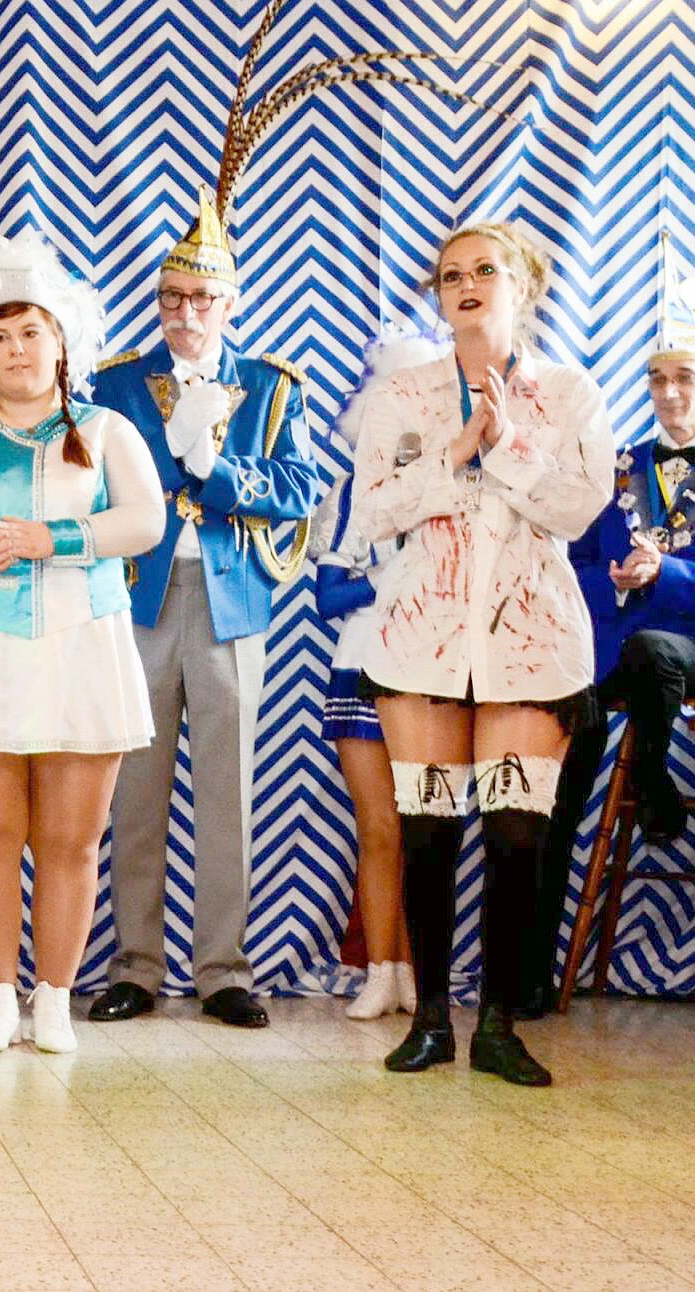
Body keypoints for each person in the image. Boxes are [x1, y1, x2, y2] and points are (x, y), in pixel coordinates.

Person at [351, 219, 612, 1087]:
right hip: (421, 639)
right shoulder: (402, 394)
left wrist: (505, 448)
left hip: (532, 640)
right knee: (426, 829)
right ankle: (430, 1020)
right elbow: (372, 512)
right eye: (450, 274)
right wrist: (454, 454)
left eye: (485, 271)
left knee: (515, 830)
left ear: (521, 285)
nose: (466, 285)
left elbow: (579, 508)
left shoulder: (569, 393)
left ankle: (500, 1024)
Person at [0, 232, 163, 1054]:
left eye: (31, 332)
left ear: (62, 342)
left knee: (70, 842)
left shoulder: (108, 429)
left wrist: (58, 539)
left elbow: (145, 521)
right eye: (0, 336)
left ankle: (54, 999)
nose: (17, 349)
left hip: (83, 645)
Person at [87, 191, 326, 1029]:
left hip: (231, 603)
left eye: (200, 299)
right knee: (135, 794)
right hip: (138, 600)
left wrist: (214, 468)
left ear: (231, 304)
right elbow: (94, 486)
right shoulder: (115, 382)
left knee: (228, 796)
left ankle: (224, 970)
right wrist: (170, 456)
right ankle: (136, 966)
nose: (184, 313)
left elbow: (298, 489)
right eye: (171, 297)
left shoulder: (270, 387)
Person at [539, 305, 695, 1016]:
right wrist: (614, 582)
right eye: (658, 379)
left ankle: (655, 784)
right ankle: (528, 977)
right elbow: (567, 564)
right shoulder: (617, 468)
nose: (669, 392)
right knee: (555, 792)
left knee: (654, 649)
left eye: (684, 378)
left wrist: (667, 573)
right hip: (609, 658)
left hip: (685, 649)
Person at [314, 335, 438, 1021]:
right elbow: (327, 599)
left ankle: (418, 971)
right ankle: (380, 971)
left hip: (434, 670)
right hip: (362, 666)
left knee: (427, 826)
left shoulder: (455, 490)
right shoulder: (350, 497)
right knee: (380, 827)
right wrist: (384, 580)